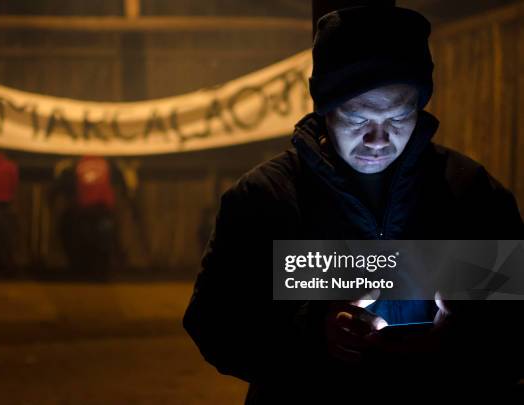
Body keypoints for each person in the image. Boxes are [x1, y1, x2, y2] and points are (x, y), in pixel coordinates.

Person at [183, 5, 524, 402]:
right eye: (358, 118)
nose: (378, 139)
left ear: (420, 106)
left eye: (398, 118)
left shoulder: (469, 193)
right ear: (325, 108)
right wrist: (312, 332)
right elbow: (213, 323)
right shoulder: (264, 199)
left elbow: (515, 324)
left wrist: (462, 341)